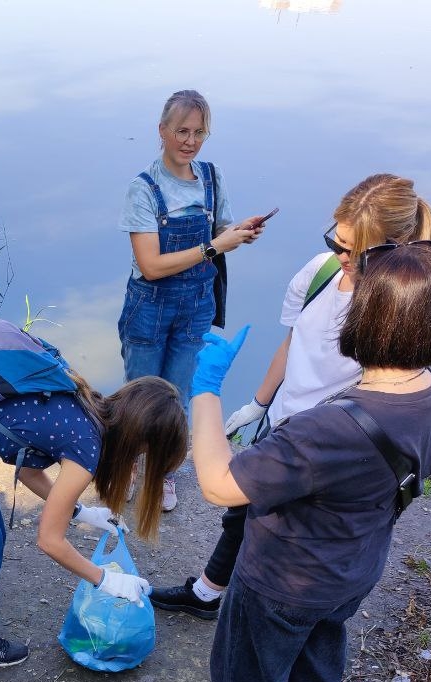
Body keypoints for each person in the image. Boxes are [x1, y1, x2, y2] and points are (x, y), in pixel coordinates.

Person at [175, 244, 431, 682]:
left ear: (364, 321)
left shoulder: (330, 428)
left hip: (285, 575)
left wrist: (205, 390)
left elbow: (219, 484)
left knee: (249, 669)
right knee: (319, 646)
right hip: (354, 564)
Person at [150, 174, 431, 619]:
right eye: (336, 240)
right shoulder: (320, 272)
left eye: (353, 250)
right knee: (243, 510)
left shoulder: (393, 309)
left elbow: (388, 387)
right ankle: (209, 593)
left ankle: (265, 606)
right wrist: (259, 404)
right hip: (285, 419)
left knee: (283, 529)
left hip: (329, 439)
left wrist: (208, 390)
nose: (340, 255)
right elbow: (292, 342)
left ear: (391, 248)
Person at [0, 374, 188, 668]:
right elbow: (49, 540)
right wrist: (105, 579)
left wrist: (80, 512)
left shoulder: (86, 403)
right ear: (139, 441)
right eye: (144, 455)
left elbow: (27, 469)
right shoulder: (87, 445)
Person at [118, 89, 267, 511]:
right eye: (181, 131)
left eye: (199, 133)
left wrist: (240, 232)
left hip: (196, 305)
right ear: (162, 131)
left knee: (178, 397)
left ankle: (162, 474)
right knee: (139, 394)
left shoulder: (211, 177)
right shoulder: (143, 189)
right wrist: (214, 247)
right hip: (148, 306)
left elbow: (220, 231)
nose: (190, 141)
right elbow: (150, 265)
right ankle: (127, 465)